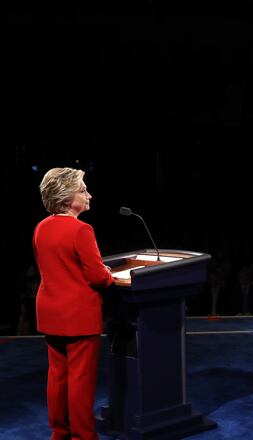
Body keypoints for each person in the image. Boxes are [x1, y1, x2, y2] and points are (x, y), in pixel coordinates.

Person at [33, 167, 114, 440]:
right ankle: (83, 436)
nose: (89, 195)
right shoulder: (81, 229)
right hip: (78, 315)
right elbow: (98, 277)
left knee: (57, 375)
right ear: (67, 197)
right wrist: (109, 276)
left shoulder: (41, 228)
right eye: (83, 190)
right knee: (80, 380)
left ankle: (59, 432)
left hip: (51, 311)